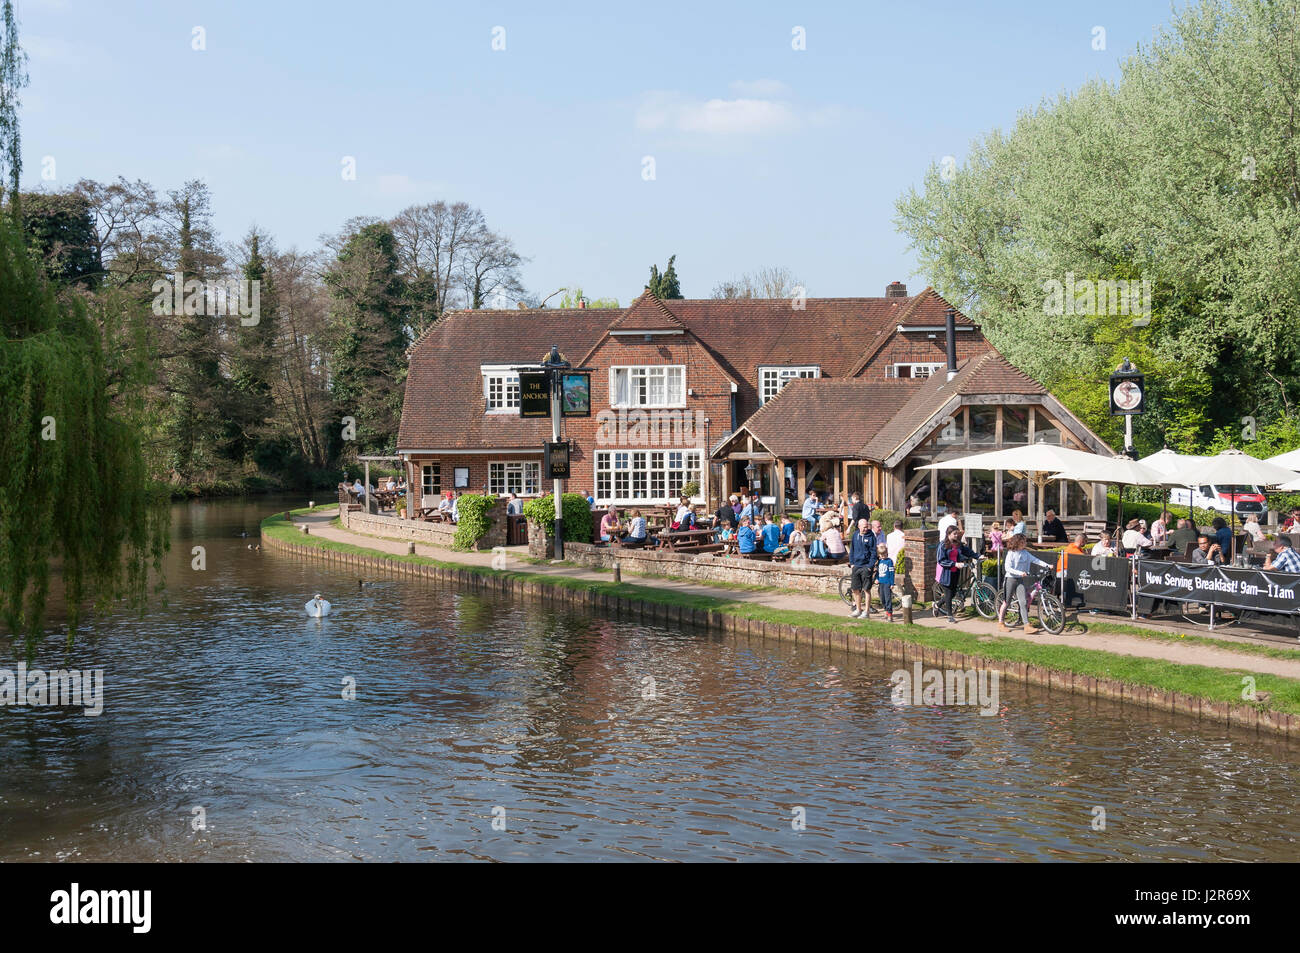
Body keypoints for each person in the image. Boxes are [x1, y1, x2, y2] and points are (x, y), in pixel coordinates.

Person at [998, 533, 1053, 634]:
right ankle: (1001, 623)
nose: (1025, 543)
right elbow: (1008, 568)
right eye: (1023, 542)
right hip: (1010, 579)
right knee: (1007, 602)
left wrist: (1047, 565)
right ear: (1018, 543)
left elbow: (1035, 560)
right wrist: (1020, 573)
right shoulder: (1011, 553)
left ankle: (1026, 625)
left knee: (1023, 602)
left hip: (1020, 580)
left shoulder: (1025, 553)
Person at [934, 525, 978, 624]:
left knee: (953, 593)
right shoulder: (942, 545)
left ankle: (937, 605)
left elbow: (967, 551)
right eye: (954, 534)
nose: (956, 535)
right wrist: (954, 564)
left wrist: (978, 556)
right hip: (945, 573)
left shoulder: (958, 545)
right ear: (949, 534)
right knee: (949, 594)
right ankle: (950, 616)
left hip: (955, 571)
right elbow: (941, 560)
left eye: (957, 533)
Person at [847, 518, 878, 618]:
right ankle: (858, 609)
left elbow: (874, 553)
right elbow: (852, 550)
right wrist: (852, 563)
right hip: (856, 565)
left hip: (866, 566)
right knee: (855, 589)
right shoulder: (855, 535)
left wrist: (870, 566)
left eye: (867, 527)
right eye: (864, 527)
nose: (866, 529)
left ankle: (866, 612)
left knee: (866, 589)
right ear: (859, 526)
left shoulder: (871, 536)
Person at [875, 543, 896, 623]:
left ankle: (890, 614)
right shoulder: (879, 562)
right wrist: (877, 579)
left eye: (884, 554)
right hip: (881, 583)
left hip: (887, 583)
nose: (883, 555)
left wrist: (892, 583)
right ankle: (886, 611)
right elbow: (877, 572)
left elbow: (891, 573)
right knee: (882, 598)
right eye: (881, 554)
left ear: (886, 553)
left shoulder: (889, 561)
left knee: (888, 599)